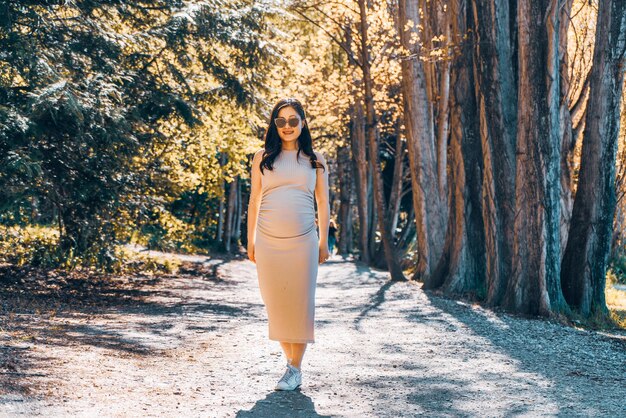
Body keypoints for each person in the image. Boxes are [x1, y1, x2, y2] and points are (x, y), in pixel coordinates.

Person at [246, 98, 330, 391]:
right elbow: (254, 199)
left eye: (293, 120)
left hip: (304, 242)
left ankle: (294, 368)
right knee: (277, 305)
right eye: (281, 121)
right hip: (268, 242)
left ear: (303, 123)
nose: (287, 126)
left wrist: (324, 242)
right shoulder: (262, 158)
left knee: (300, 305)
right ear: (274, 125)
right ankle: (291, 364)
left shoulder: (315, 160)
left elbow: (323, 201)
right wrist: (251, 240)